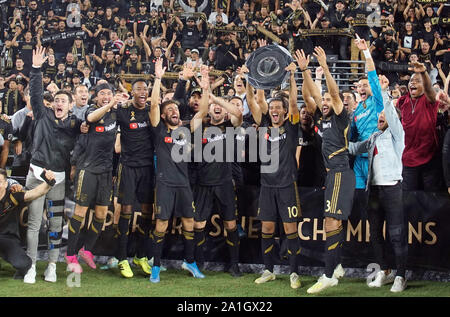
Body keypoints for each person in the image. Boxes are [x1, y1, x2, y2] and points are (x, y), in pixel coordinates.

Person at [24, 46, 86, 284]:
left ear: (71, 106)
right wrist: (37, 69)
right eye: (56, 99)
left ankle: (51, 265)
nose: (59, 103)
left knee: (56, 225)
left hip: (59, 180)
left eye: (64, 100)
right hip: (36, 175)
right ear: (52, 104)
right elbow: (36, 92)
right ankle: (30, 266)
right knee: (33, 223)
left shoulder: (75, 124)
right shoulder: (42, 114)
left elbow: (88, 133)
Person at [299, 47, 353, 294]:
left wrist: (326, 68)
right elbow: (311, 95)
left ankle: (329, 274)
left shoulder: (342, 117)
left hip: (341, 171)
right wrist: (305, 71)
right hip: (333, 174)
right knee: (333, 222)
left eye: (330, 101)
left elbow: (332, 92)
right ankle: (337, 265)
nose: (326, 102)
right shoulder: (323, 118)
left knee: (331, 221)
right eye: (325, 102)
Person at [245, 61, 302, 290]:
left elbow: (296, 105)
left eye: (279, 107)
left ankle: (294, 273)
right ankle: (268, 270)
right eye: (273, 107)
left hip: (287, 185)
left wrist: (292, 78)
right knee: (267, 229)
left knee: (290, 231)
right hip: (267, 187)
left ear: (285, 112)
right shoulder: (265, 127)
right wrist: (250, 79)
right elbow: (252, 101)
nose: (275, 110)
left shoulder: (292, 127)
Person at [349, 75, 408, 293]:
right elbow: (354, 148)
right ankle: (385, 271)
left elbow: (389, 111)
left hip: (392, 187)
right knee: (375, 234)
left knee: (396, 234)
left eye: (383, 115)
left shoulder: (397, 134)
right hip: (373, 190)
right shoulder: (374, 136)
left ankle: (401, 276)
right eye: (379, 115)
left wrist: (383, 92)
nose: (380, 116)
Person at [149, 58, 205, 283]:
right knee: (161, 225)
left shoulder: (185, 130)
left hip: (184, 184)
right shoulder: (158, 130)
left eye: (175, 108)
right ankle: (156, 265)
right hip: (165, 184)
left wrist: (206, 87)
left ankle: (189, 261)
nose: (173, 110)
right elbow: (154, 105)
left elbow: (202, 112)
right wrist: (158, 79)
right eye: (169, 109)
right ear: (163, 116)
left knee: (189, 223)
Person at [65, 82, 126, 274]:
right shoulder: (91, 110)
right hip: (88, 169)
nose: (106, 96)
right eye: (103, 94)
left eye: (109, 93)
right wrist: (110, 104)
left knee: (100, 214)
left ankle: (87, 250)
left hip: (106, 171)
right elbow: (91, 118)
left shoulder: (117, 115)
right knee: (80, 213)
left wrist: (123, 100)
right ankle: (70, 255)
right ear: (96, 97)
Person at [192, 66, 243, 277]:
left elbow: (238, 113)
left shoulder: (231, 128)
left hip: (224, 182)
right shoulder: (199, 127)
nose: (216, 109)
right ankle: (198, 262)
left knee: (230, 224)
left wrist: (215, 97)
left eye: (219, 107)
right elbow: (200, 113)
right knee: (198, 224)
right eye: (213, 107)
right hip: (203, 182)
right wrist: (206, 94)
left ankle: (234, 264)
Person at [115, 79, 155, 278]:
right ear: (132, 92)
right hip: (128, 167)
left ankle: (141, 256)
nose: (143, 92)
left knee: (148, 211)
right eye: (139, 89)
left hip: (148, 167)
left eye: (145, 89)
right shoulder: (122, 111)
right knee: (126, 211)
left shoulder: (151, 111)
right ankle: (122, 258)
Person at [0, 168, 57, 280]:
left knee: (23, 264)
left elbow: (35, 193)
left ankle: (21, 271)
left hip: (8, 239)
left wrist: (49, 182)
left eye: (0, 182)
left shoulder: (13, 195)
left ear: (6, 183)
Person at [351, 34, 384, 198]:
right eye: (358, 86)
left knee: (375, 199)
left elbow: (372, 74)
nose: (361, 88)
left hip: (376, 159)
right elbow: (353, 136)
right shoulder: (356, 112)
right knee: (358, 197)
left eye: (365, 85)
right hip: (359, 161)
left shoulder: (377, 101)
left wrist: (365, 52)